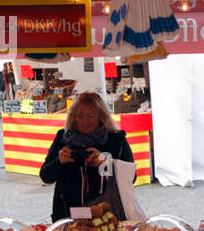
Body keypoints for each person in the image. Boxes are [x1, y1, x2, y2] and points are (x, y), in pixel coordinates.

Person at [38, 91, 133, 222]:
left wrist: (106, 163)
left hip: (110, 215)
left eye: (90, 116)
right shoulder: (63, 138)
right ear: (73, 117)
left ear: (101, 117)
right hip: (68, 217)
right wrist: (58, 162)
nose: (84, 121)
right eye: (80, 115)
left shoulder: (116, 140)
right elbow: (45, 176)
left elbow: (131, 177)